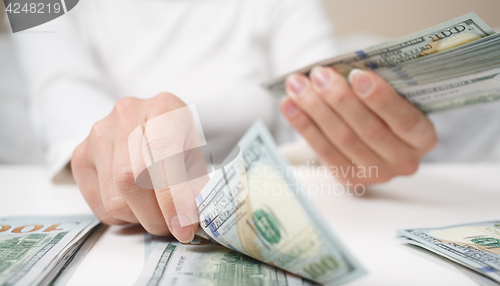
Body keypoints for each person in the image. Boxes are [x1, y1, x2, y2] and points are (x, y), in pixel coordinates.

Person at [11, 0, 500, 243]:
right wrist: (105, 141)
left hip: (267, 154)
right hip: (113, 160)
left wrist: (347, 135)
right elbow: (60, 90)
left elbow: (313, 73)